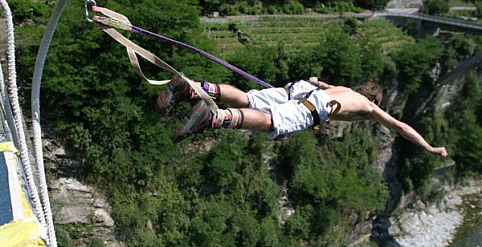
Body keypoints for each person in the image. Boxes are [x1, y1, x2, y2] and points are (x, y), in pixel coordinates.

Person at [156, 75, 448, 158]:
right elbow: (400, 126)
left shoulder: (343, 88)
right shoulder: (368, 106)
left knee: (249, 97)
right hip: (313, 106)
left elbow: (317, 83)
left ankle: (194, 88)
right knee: (273, 121)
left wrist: (315, 81)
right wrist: (429, 147)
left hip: (299, 90)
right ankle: (213, 119)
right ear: (373, 99)